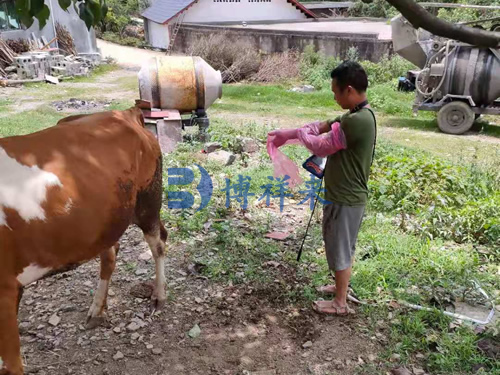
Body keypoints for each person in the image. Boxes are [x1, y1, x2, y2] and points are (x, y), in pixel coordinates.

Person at [268, 61, 376, 315]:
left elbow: (320, 145)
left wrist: (303, 135)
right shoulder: (354, 115)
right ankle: (340, 288)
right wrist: (288, 133)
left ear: (348, 90)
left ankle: (340, 303)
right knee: (339, 243)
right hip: (345, 194)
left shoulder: (357, 121)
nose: (334, 97)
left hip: (346, 196)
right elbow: (321, 126)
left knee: (340, 246)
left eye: (335, 92)